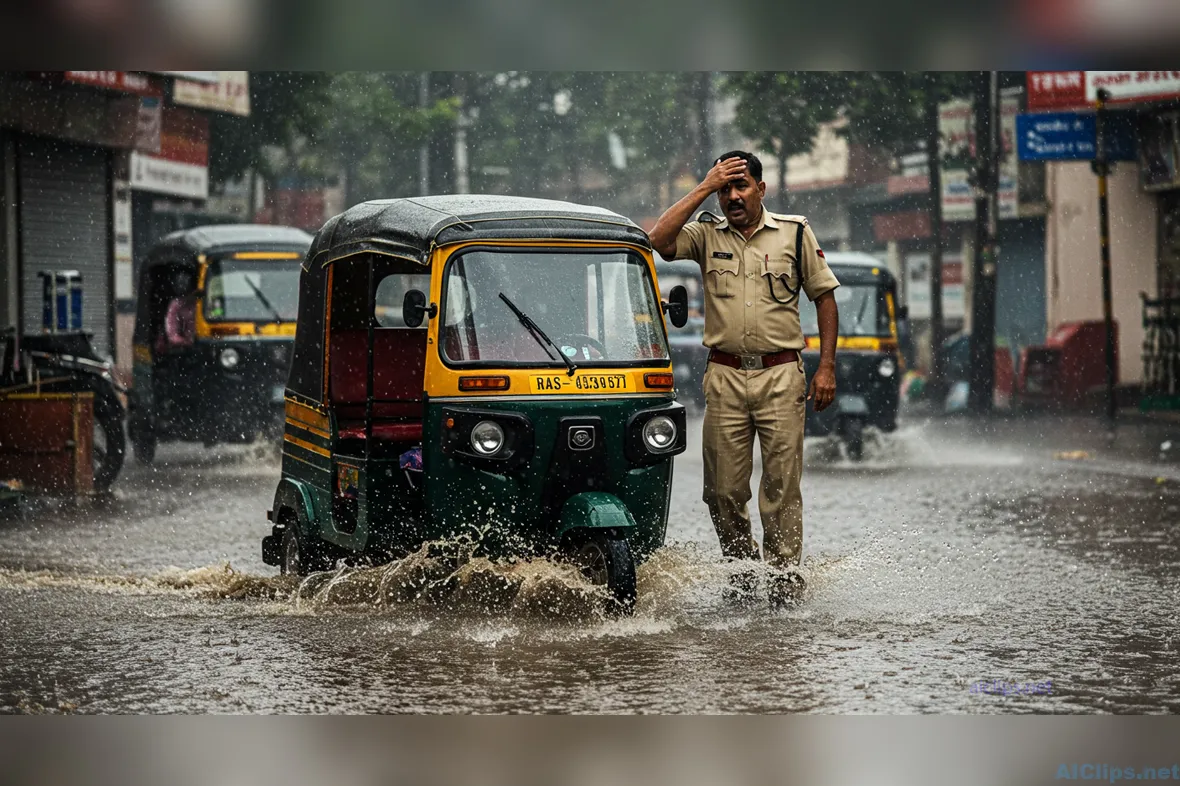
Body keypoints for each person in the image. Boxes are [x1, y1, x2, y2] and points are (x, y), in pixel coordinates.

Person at [649, 151, 840, 606]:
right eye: (724, 190)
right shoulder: (705, 234)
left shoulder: (794, 233)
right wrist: (701, 187)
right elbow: (658, 238)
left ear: (761, 189)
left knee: (780, 489)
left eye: (741, 187)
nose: (733, 197)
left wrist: (827, 367)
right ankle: (742, 575)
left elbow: (825, 298)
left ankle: (783, 586)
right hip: (726, 378)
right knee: (722, 491)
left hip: (780, 376)